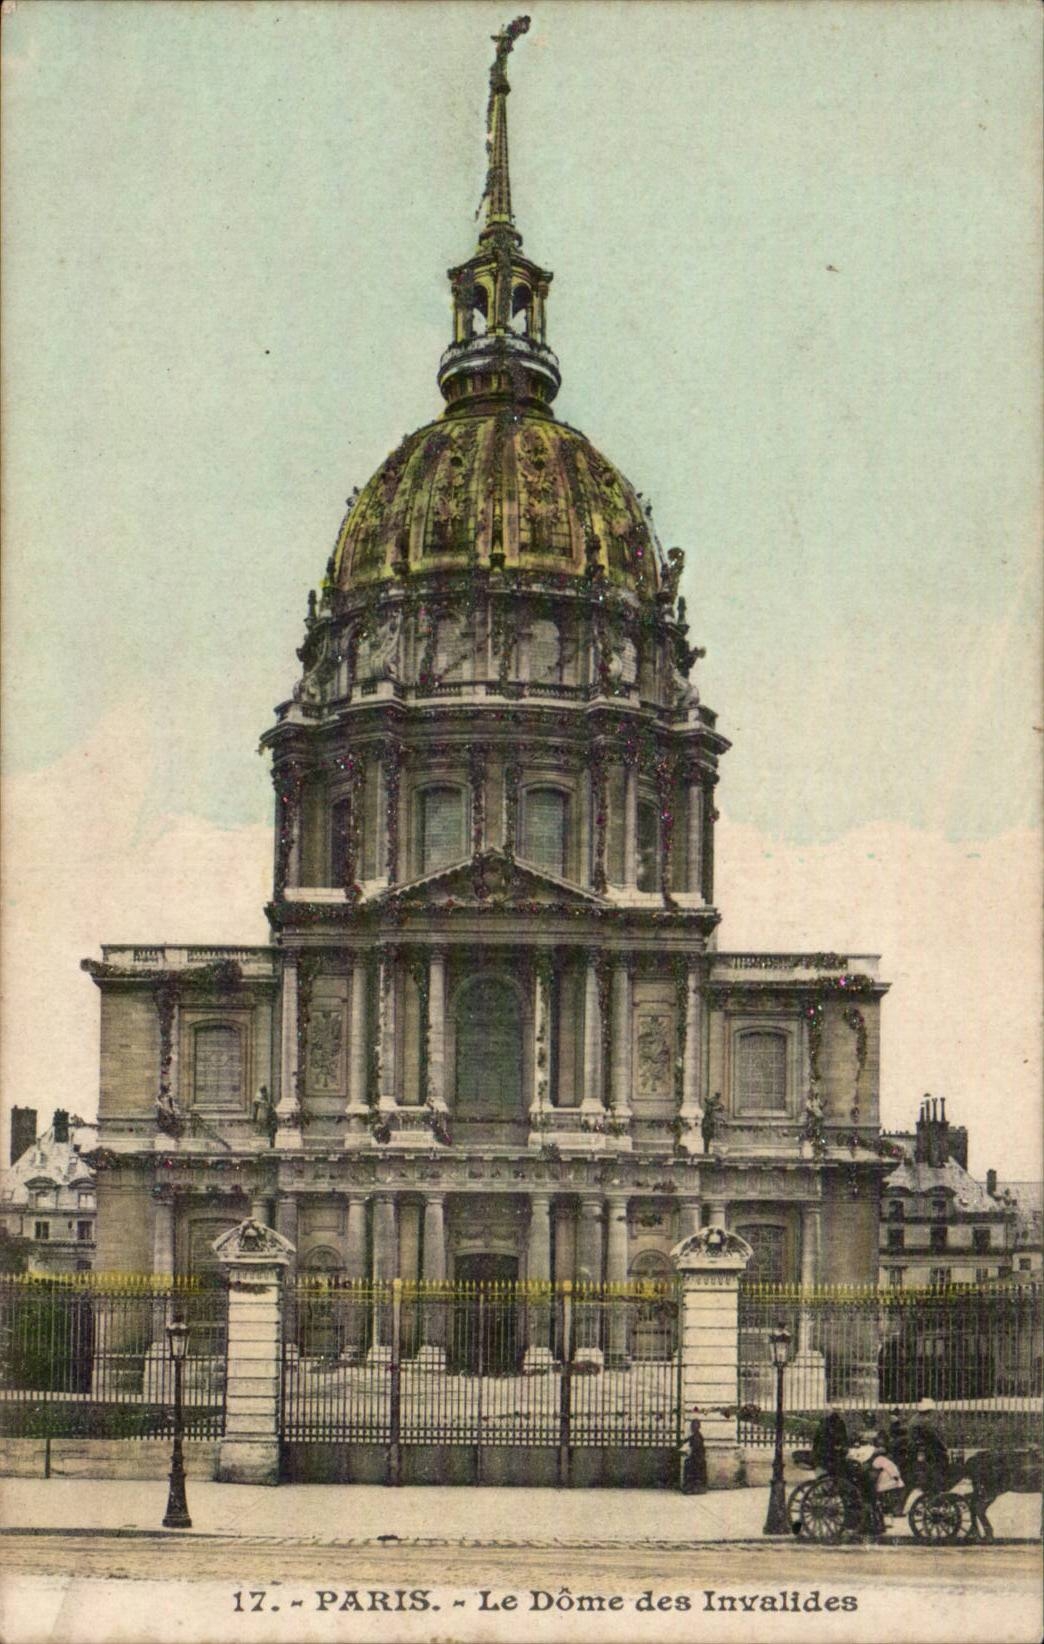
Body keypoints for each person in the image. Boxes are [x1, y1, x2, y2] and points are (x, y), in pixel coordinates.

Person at [907, 1397, 949, 1493]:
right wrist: (944, 1447)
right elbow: (934, 1437)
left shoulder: (914, 1418)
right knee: (941, 1460)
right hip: (925, 1448)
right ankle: (939, 1485)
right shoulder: (927, 1421)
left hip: (913, 1447)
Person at [812, 1405, 850, 1476]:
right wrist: (842, 1447)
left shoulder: (823, 1422)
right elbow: (841, 1438)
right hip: (831, 1454)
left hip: (822, 1453)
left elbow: (816, 1439)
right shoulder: (839, 1423)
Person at [681, 1416, 708, 1494]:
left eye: (694, 1426)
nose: (693, 1427)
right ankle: (692, 1488)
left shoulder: (697, 1436)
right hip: (698, 1458)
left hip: (697, 1459)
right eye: (693, 1426)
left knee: (689, 1466)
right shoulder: (696, 1435)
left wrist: (687, 1451)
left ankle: (691, 1488)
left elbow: (695, 1449)